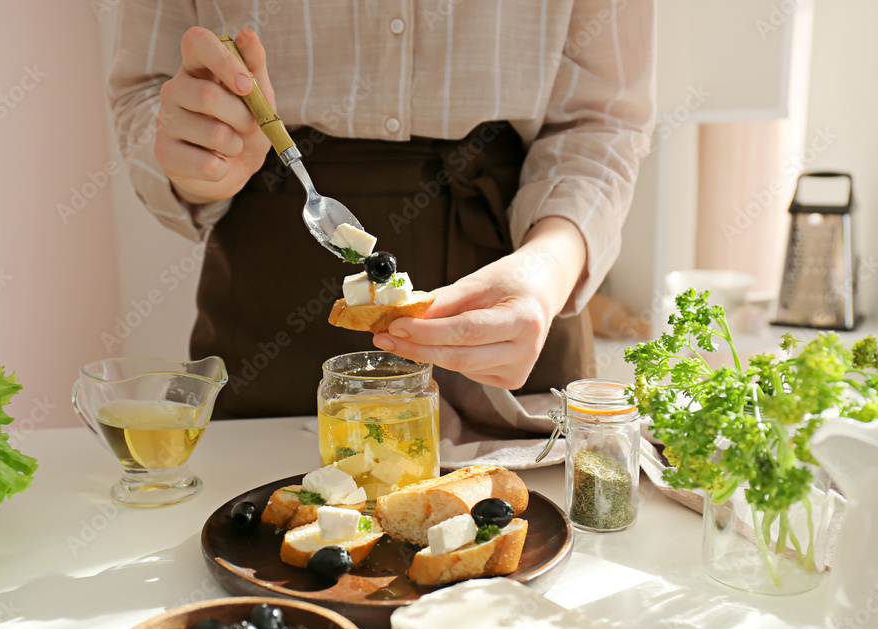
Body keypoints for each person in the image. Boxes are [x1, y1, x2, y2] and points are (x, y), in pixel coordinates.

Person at [109, 1, 655, 420]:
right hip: (271, 300)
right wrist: (201, 151)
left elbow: (604, 119)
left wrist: (547, 269)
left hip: (512, 277)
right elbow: (144, 97)